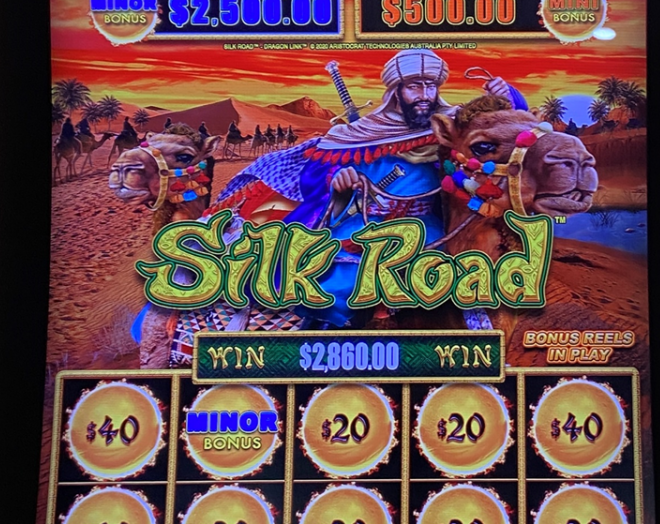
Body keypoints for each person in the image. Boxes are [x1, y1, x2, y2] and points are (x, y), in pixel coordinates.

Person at [213, 48, 527, 326]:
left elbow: (506, 127)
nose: (424, 95)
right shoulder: (361, 133)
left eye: (431, 86)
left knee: (434, 275)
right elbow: (319, 178)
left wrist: (509, 95)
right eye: (414, 86)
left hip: (424, 225)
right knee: (328, 282)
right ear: (396, 91)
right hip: (362, 221)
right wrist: (338, 185)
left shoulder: (450, 125)